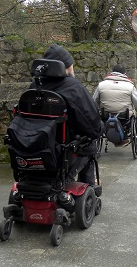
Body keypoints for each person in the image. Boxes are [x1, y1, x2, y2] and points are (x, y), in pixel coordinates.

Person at [33, 44, 103, 184]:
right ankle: (88, 187)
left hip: (35, 146)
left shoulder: (34, 87)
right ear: (64, 67)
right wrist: (100, 129)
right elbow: (91, 123)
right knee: (89, 146)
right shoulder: (73, 87)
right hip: (63, 151)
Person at [92, 64, 137, 145]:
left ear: (112, 73)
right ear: (124, 74)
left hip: (106, 115)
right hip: (124, 116)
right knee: (131, 116)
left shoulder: (101, 85)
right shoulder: (130, 86)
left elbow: (94, 101)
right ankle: (124, 137)